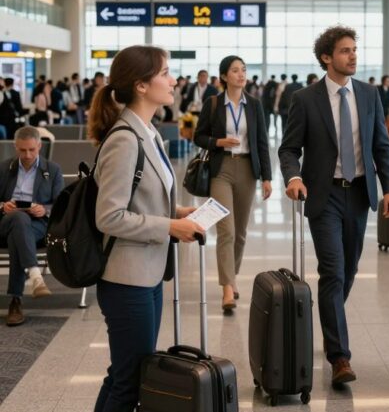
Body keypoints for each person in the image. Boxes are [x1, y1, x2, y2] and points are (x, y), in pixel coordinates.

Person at [279, 25, 389, 388]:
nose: (353, 56)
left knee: (348, 270)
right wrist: (293, 177)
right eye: (345, 51)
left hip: (359, 193)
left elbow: (381, 145)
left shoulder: (369, 94)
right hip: (323, 194)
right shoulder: (305, 98)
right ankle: (339, 357)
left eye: (354, 50)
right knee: (331, 270)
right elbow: (288, 148)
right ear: (327, 57)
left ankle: (331, 319)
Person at [88, 46, 205, 412]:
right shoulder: (125, 140)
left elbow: (143, 199)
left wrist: (178, 212)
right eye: (166, 73)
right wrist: (170, 225)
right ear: (141, 85)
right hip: (126, 280)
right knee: (130, 383)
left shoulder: (148, 133)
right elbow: (109, 216)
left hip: (148, 275)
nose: (173, 81)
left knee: (124, 375)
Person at [193, 55, 272, 313]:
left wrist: (267, 178)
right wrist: (219, 142)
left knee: (240, 231)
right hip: (221, 169)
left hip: (248, 168)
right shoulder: (213, 103)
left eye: (244, 70)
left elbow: (261, 141)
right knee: (225, 229)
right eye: (235, 70)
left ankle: (232, 275)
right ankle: (227, 287)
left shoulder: (255, 105)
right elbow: (199, 136)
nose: (241, 74)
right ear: (224, 76)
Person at [0, 127, 64, 326]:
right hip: (5, 222)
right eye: (22, 150)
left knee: (20, 227)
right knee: (18, 219)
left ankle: (16, 300)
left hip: (37, 226)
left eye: (31, 150)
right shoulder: (3, 168)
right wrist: (3, 205)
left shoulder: (52, 170)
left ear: (39, 146)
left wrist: (44, 210)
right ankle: (35, 275)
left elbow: (61, 206)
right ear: (15, 147)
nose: (27, 155)